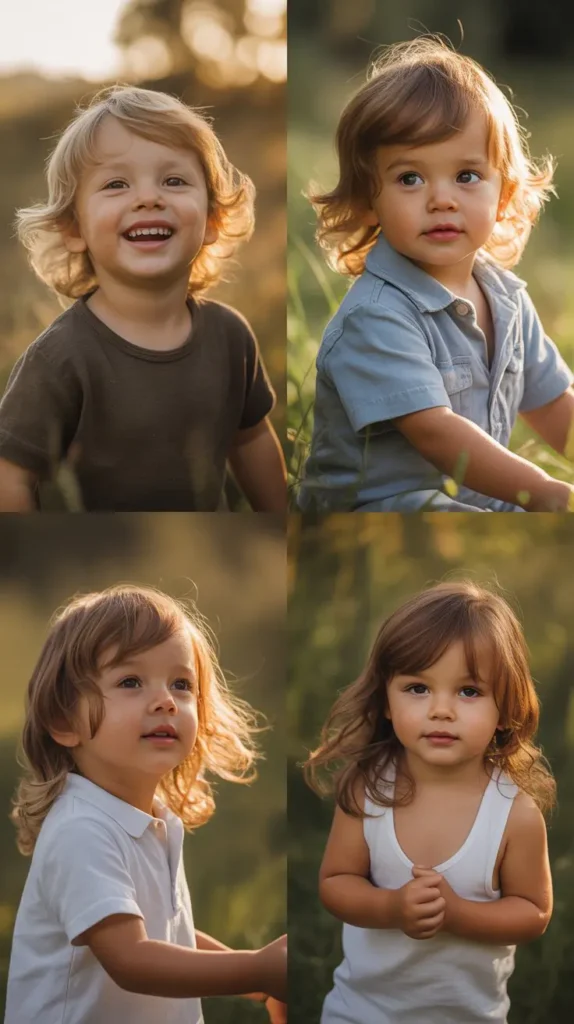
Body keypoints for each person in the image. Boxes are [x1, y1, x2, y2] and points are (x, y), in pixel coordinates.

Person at [297, 36, 574, 512]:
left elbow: (553, 403)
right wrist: (542, 491)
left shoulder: (506, 298)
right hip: (380, 506)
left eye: (466, 176)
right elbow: (435, 432)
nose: (441, 199)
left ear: (503, 194)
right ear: (368, 200)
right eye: (410, 178)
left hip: (478, 493)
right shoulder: (377, 315)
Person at [5, 584, 287, 1024]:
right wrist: (256, 967)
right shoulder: (82, 829)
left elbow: (160, 932)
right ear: (63, 720)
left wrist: (255, 979)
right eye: (130, 682)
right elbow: (132, 959)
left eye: (181, 683)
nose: (165, 701)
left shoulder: (149, 816)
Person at [0, 85, 286, 512]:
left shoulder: (230, 336)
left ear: (212, 219)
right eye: (116, 184)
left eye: (174, 180)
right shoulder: (61, 358)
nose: (149, 198)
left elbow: (251, 439)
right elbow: (10, 474)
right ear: (74, 229)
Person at [304, 580, 554, 1024]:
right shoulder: (369, 790)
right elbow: (335, 882)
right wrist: (392, 908)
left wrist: (457, 915)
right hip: (360, 1013)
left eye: (469, 691)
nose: (441, 710)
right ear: (385, 699)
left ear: (506, 707)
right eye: (418, 688)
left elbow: (533, 911)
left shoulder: (514, 814)